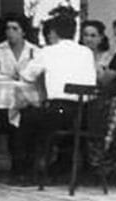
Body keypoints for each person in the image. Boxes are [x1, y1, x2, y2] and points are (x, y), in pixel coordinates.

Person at [16, 14, 97, 185]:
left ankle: (25, 170)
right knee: (45, 118)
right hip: (85, 113)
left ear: (53, 32)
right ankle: (59, 166)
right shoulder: (86, 52)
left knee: (27, 117)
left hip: (58, 111)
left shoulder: (48, 52)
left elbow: (27, 76)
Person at [0, 13, 39, 79]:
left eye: (15, 29)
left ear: (23, 32)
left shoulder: (34, 50)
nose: (10, 32)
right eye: (8, 28)